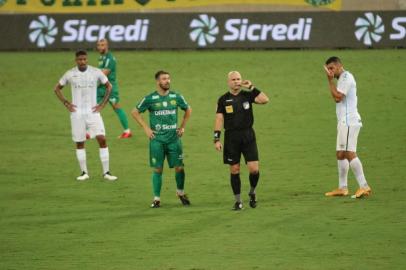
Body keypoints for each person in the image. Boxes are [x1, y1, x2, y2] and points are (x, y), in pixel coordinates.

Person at [54, 50, 118, 181]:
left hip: (93, 112)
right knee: (80, 142)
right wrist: (66, 103)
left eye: (84, 59)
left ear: (87, 60)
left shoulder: (95, 72)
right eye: (80, 60)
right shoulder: (70, 74)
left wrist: (102, 104)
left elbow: (109, 87)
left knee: (102, 139)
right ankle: (84, 172)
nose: (82, 61)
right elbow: (56, 88)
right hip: (77, 114)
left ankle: (106, 172)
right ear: (76, 60)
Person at [131, 70, 192, 208]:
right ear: (158, 82)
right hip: (157, 140)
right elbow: (134, 112)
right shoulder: (150, 98)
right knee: (158, 169)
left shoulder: (176, 96)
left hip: (174, 139)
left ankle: (180, 193)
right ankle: (157, 198)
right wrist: (146, 128)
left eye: (168, 78)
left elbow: (188, 109)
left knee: (180, 168)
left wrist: (182, 126)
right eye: (164, 79)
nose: (167, 81)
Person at [214, 71, 269, 210]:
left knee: (254, 169)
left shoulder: (247, 95)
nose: (236, 81)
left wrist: (252, 87)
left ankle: (252, 191)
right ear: (228, 82)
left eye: (238, 79)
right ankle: (238, 201)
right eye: (233, 79)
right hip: (231, 137)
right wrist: (216, 138)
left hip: (248, 135)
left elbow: (265, 100)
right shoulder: (223, 99)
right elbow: (219, 118)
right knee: (234, 169)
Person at [323, 56, 371, 198]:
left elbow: (338, 97)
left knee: (349, 153)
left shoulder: (345, 77)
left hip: (349, 121)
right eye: (328, 69)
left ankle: (364, 186)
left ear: (339, 66)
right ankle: (342, 188)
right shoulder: (342, 79)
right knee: (340, 153)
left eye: (332, 68)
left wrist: (330, 80)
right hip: (343, 122)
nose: (330, 71)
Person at [96, 39, 132, 139]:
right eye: (99, 45)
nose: (100, 47)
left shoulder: (110, 58)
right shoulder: (101, 57)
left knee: (116, 107)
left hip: (110, 88)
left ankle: (127, 131)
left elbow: (104, 73)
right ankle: (91, 131)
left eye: (103, 45)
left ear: (107, 45)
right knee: (93, 108)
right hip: (100, 88)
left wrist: (90, 81)